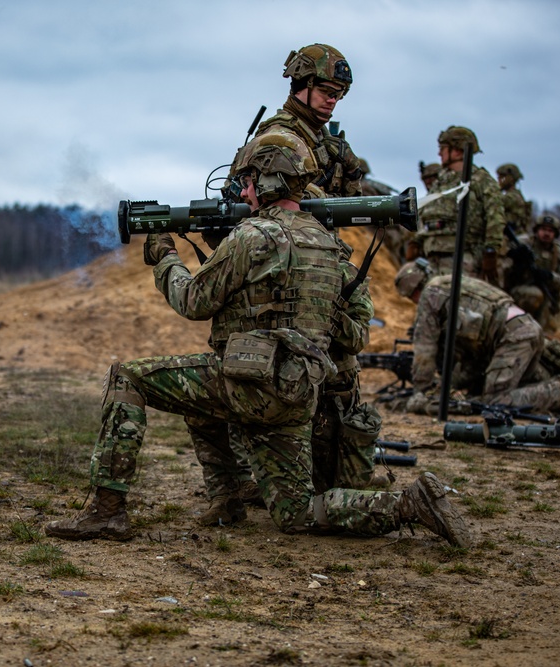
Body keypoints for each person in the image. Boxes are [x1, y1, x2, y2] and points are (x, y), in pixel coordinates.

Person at [44, 140, 470, 547]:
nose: (243, 191)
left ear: (267, 184)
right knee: (298, 513)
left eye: (248, 182)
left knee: (129, 377)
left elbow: (194, 301)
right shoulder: (325, 243)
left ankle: (106, 511)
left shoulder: (251, 237)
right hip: (296, 390)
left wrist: (165, 259)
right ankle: (408, 505)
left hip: (249, 383)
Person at [190, 44, 385, 527]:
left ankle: (328, 478)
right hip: (285, 263)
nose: (333, 100)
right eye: (326, 90)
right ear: (300, 84)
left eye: (339, 93)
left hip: (318, 260)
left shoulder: (326, 140)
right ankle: (253, 484)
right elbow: (289, 200)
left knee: (337, 375)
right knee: (283, 374)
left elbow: (351, 190)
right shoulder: (280, 139)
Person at [394, 260, 560, 422]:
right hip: (525, 329)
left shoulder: (430, 295)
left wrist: (422, 392)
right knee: (533, 385)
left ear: (413, 290)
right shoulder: (454, 282)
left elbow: (424, 348)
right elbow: (476, 354)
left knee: (496, 402)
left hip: (512, 338)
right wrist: (454, 383)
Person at [408, 126, 505, 286]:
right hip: (432, 256)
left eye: (443, 149)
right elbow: (427, 212)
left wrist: (490, 251)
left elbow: (495, 218)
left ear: (458, 151)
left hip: (463, 258)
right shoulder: (441, 181)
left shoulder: (481, 181)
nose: (439, 154)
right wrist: (417, 240)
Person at [504, 213, 560, 331]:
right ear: (536, 230)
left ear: (555, 234)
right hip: (518, 290)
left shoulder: (559, 254)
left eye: (550, 231)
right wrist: (515, 257)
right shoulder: (523, 242)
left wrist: (550, 276)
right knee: (533, 295)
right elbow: (502, 261)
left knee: (545, 333)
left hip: (547, 298)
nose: (546, 233)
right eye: (543, 229)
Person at [497, 163, 533, 236]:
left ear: (511, 179)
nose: (499, 180)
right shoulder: (515, 195)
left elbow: (494, 202)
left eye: (502, 177)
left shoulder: (513, 197)